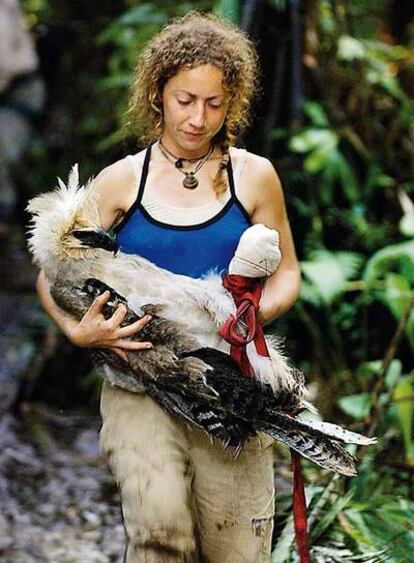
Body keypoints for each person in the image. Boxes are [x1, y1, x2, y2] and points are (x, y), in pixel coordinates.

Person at [36, 11, 301, 563]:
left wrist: (249, 322)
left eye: (214, 103)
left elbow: (288, 272)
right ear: (157, 94)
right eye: (185, 100)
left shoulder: (254, 176)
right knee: (161, 535)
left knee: (238, 551)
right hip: (138, 384)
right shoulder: (119, 181)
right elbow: (52, 272)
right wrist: (78, 332)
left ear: (232, 102)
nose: (198, 119)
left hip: (231, 386)